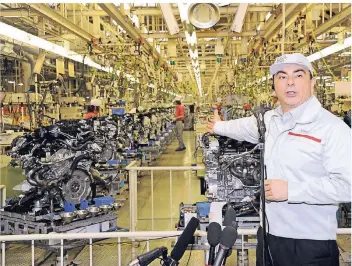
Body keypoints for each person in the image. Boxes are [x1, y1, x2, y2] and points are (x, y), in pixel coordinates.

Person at [207, 53, 351, 266]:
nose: (290, 82)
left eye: (298, 75)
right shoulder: (271, 121)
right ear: (274, 86)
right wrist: (218, 126)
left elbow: (348, 185)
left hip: (310, 244)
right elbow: (244, 126)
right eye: (282, 76)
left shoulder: (332, 128)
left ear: (312, 83)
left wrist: (292, 191)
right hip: (268, 238)